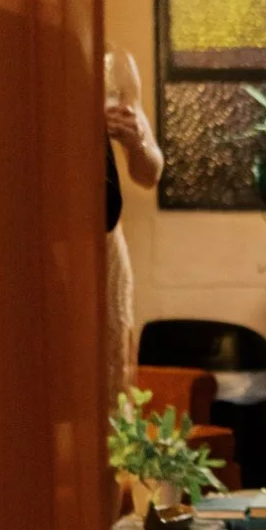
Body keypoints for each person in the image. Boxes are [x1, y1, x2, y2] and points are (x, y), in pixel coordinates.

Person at [104, 46, 163, 410]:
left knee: (113, 376)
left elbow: (149, 173)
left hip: (104, 240)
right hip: (30, 242)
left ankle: (111, 464)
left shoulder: (113, 61)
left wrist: (134, 140)